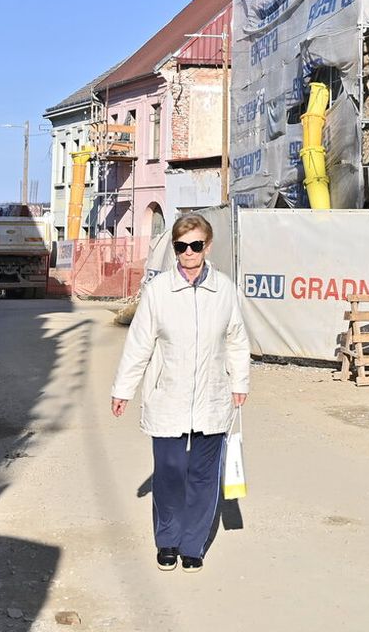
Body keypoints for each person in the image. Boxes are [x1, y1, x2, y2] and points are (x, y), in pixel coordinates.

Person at [110, 213, 249, 572]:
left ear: (208, 246)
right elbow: (139, 344)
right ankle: (168, 541)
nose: (188, 252)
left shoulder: (224, 290)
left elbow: (236, 339)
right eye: (181, 246)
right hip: (167, 397)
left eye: (196, 245)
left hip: (212, 397)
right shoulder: (158, 292)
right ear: (174, 248)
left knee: (203, 476)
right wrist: (123, 389)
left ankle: (192, 545)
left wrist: (239, 383)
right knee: (169, 471)